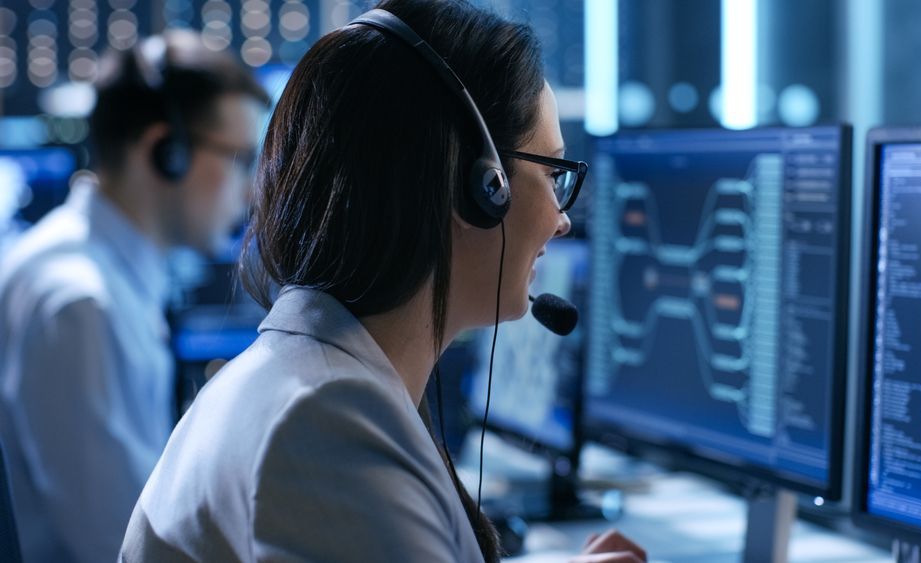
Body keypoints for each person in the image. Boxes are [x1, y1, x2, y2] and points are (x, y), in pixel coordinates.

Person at [120, 1, 646, 562]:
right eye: (552, 173)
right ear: (480, 187)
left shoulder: (310, 386)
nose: (562, 218)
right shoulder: (327, 429)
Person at [0, 30, 269, 562]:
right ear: (164, 152)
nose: (249, 190)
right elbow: (124, 547)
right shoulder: (81, 306)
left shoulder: (93, 271)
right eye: (239, 159)